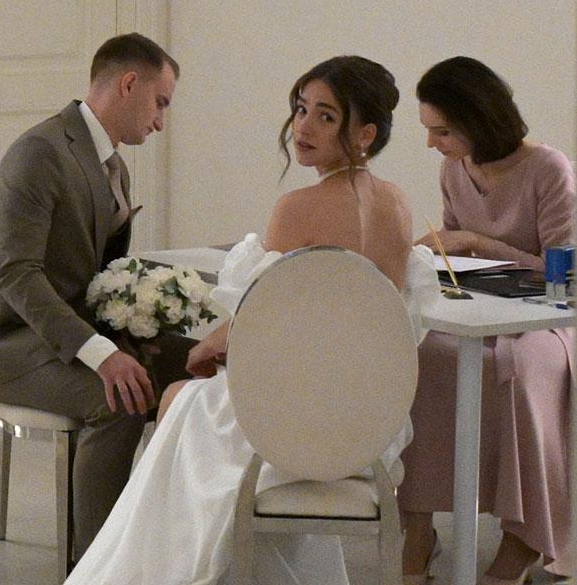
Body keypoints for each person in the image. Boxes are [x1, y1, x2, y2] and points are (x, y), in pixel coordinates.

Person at [66, 55, 440, 585]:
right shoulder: (396, 204)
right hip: (368, 425)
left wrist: (214, 343)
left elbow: (264, 322)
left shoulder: (298, 208)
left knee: (177, 400)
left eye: (327, 116)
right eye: (302, 109)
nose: (304, 127)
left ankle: (178, 568)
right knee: (188, 400)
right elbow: (352, 325)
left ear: (365, 134)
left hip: (290, 426)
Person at [0, 32, 190, 560]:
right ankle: (96, 564)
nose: (160, 121)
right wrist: (102, 353)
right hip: (10, 344)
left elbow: (99, 275)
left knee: (201, 365)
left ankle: (178, 544)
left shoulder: (113, 165)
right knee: (120, 400)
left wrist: (129, 332)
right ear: (129, 84)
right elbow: (17, 275)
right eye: (160, 103)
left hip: (67, 331)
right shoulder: (40, 153)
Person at [399, 57, 575, 584]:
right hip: (479, 311)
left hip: (549, 319)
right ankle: (418, 529)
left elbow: (565, 272)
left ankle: (523, 541)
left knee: (520, 368)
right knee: (422, 357)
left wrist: (479, 243)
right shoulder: (455, 168)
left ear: (478, 119)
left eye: (442, 131)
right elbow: (457, 257)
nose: (432, 143)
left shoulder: (549, 169)